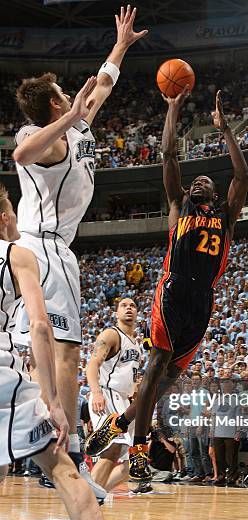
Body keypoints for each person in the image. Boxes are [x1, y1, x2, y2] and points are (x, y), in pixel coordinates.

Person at [12, 6, 147, 487]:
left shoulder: (77, 124)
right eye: (64, 97)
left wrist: (122, 45)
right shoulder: (39, 134)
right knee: (66, 349)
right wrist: (68, 117)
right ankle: (65, 449)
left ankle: (37, 442)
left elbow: (104, 83)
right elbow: (20, 154)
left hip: (34, 251)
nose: (73, 99)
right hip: (44, 248)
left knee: (26, 350)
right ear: (52, 105)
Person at [85, 88, 248, 481]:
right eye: (194, 181)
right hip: (173, 290)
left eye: (205, 181)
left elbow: (242, 175)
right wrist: (173, 109)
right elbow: (169, 155)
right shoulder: (178, 206)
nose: (198, 182)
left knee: (168, 380)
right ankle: (140, 449)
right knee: (156, 365)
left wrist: (226, 131)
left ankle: (120, 421)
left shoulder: (226, 216)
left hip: (202, 299)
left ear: (213, 192)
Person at [0, 185, 151, 520]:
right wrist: (52, 399)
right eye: (11, 209)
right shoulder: (16, 254)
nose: (16, 217)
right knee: (65, 469)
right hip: (5, 382)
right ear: (2, 218)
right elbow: (42, 327)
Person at [86, 297, 144, 492]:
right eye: (124, 305)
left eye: (133, 305)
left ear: (137, 313)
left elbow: (132, 378)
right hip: (107, 394)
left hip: (125, 401)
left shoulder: (136, 344)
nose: (129, 308)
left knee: (137, 459)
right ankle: (87, 499)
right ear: (116, 313)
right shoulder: (111, 334)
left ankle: (98, 494)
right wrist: (96, 392)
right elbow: (92, 365)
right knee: (113, 448)